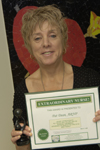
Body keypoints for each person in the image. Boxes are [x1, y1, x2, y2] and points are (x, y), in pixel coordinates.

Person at [11, 5, 100, 150]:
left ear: (63, 41)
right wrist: (21, 140)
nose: (46, 43)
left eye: (52, 35)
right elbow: (23, 148)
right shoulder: (23, 91)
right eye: (38, 38)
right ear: (30, 47)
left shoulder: (90, 79)